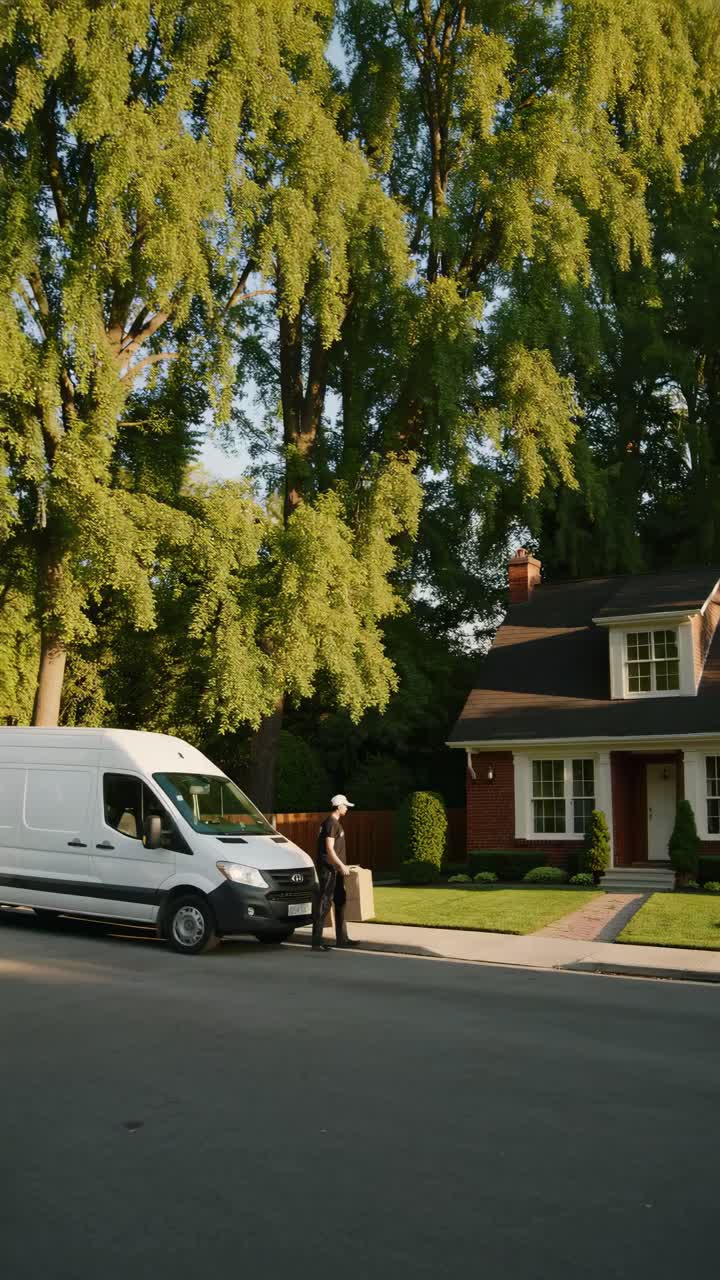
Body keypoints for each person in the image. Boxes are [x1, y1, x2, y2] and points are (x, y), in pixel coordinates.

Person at [311, 795, 359, 952]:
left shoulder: (333, 823)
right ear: (338, 806)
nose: (347, 808)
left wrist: (342, 866)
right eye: (345, 806)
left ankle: (342, 939)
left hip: (336, 870)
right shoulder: (332, 824)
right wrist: (340, 865)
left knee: (340, 901)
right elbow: (330, 849)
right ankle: (316, 942)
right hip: (330, 870)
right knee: (324, 903)